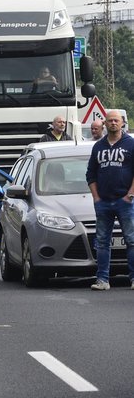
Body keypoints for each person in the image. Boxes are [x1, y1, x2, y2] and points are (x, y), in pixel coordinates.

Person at [85, 110, 134, 291]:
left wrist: (130, 194)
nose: (113, 123)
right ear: (104, 124)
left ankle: (133, 278)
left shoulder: (130, 144)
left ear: (122, 123)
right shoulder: (98, 146)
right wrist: (96, 197)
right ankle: (103, 280)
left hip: (125, 202)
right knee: (102, 242)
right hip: (103, 202)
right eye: (110, 120)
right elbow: (90, 174)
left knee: (131, 240)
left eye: (116, 120)